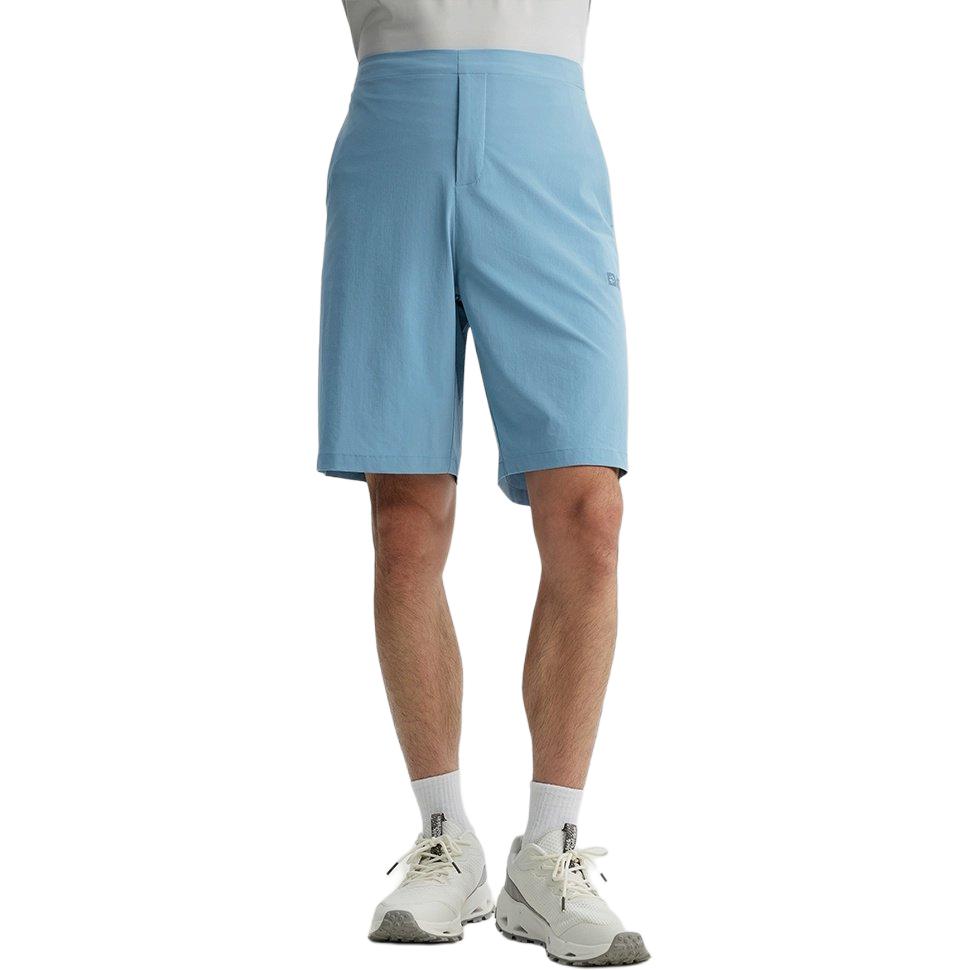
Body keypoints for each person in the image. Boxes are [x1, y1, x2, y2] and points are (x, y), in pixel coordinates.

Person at [319, 2, 648, 964]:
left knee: (589, 510)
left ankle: (549, 850)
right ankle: (444, 839)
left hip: (546, 144)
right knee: (406, 520)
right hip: (394, 139)